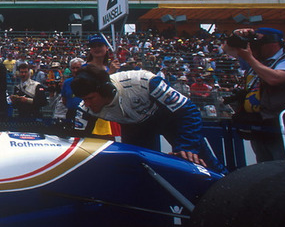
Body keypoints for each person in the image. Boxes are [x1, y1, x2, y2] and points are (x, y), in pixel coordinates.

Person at [71, 64, 226, 173]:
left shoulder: (144, 81)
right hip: (135, 127)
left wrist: (187, 146)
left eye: (90, 98)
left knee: (199, 159)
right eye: (83, 99)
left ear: (105, 90)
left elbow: (189, 110)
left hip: (170, 118)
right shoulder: (85, 108)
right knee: (140, 168)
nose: (87, 103)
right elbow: (77, 139)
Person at [222, 27, 285, 162]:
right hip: (259, 123)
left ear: (272, 43)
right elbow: (227, 49)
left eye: (257, 42)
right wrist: (235, 34)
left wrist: (250, 58)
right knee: (265, 167)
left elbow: (274, 78)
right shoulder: (257, 61)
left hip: (283, 126)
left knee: (284, 166)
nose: (253, 47)